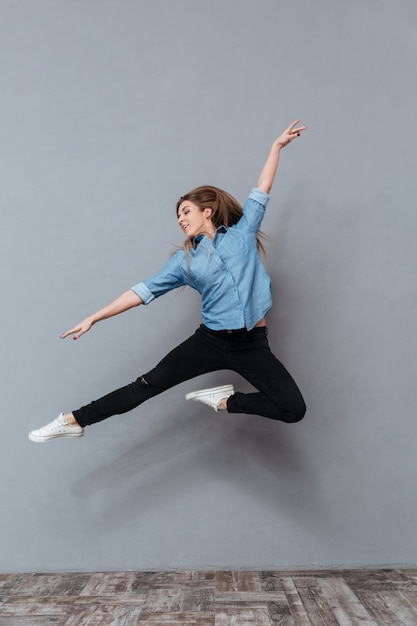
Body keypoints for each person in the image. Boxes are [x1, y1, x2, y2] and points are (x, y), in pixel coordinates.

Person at [29, 120, 307, 443]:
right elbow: (140, 292)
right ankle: (73, 420)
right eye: (178, 217)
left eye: (186, 212)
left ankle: (224, 400)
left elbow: (263, 187)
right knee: (146, 385)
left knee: (293, 408)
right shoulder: (184, 261)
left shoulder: (242, 234)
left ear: (208, 210)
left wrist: (276, 147)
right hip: (210, 342)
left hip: (252, 345)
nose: (181, 219)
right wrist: (94, 317)